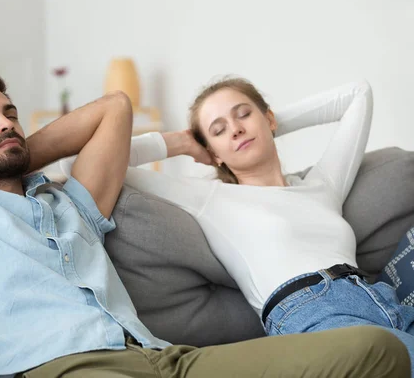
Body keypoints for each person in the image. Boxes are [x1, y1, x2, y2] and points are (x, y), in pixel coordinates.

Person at [0, 71, 409, 378]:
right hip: (57, 371)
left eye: (10, 113)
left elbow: (114, 107)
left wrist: (11, 150)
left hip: (163, 358)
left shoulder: (73, 206)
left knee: (375, 348)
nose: (6, 123)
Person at [60, 76, 414, 376]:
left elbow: (357, 96)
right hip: (312, 312)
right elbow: (78, 161)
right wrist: (183, 142)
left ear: (269, 118)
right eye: (218, 130)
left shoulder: (324, 185)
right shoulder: (211, 199)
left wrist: (267, 123)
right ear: (212, 153)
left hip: (380, 298)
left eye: (243, 114)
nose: (236, 129)